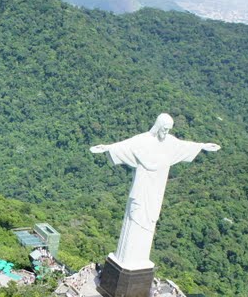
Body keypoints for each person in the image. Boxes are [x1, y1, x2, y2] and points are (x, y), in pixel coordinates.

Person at [91, 114, 219, 270]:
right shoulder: (143, 141)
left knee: (149, 222)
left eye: (168, 130)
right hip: (141, 188)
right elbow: (125, 146)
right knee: (135, 218)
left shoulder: (170, 143)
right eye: (164, 129)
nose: (165, 132)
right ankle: (126, 260)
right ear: (158, 126)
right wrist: (107, 148)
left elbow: (185, 146)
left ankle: (139, 262)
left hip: (157, 191)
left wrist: (202, 146)